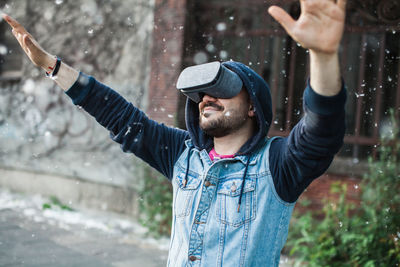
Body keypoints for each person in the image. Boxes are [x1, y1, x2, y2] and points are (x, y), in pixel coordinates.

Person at [3, 0, 347, 265]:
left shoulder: (279, 164)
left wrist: (323, 56)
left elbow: (322, 127)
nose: (207, 99)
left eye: (222, 89)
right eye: (201, 94)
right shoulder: (182, 153)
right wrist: (53, 67)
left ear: (253, 105)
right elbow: (118, 115)